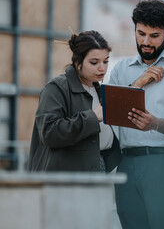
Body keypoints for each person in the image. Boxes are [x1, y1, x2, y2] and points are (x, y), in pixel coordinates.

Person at [108, 0, 164, 229]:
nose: (146, 41)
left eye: (154, 35)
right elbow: (112, 111)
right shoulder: (121, 69)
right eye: (141, 33)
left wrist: (156, 123)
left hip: (163, 163)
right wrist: (139, 82)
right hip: (126, 163)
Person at [28, 30, 155, 172]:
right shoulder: (57, 88)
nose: (102, 68)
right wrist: (92, 117)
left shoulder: (99, 89)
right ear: (78, 63)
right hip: (65, 176)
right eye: (94, 62)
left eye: (106, 61)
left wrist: (138, 84)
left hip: (98, 167)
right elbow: (49, 133)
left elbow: (119, 108)